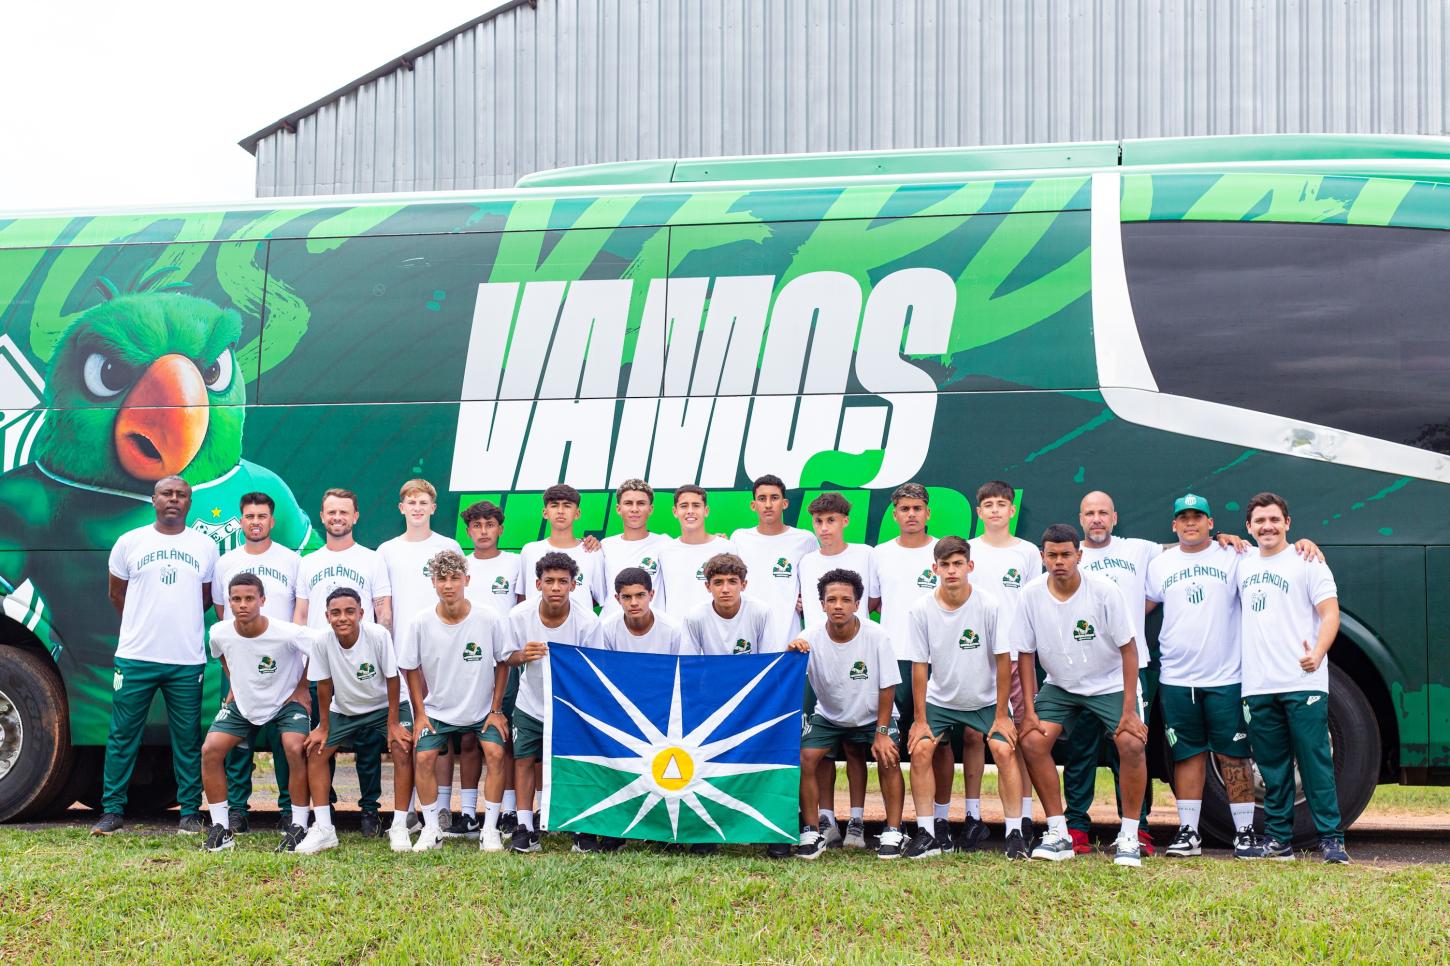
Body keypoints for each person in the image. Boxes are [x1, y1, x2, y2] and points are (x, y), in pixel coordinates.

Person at [92, 476, 219, 837]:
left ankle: (190, 813)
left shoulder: (205, 546)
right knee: (122, 734)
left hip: (186, 659)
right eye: (167, 494)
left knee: (187, 738)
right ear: (154, 500)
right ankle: (112, 811)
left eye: (181, 495)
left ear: (189, 502)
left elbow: (205, 598)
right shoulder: (130, 542)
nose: (173, 500)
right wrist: (143, 622)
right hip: (136, 656)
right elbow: (118, 594)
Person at [1017, 524, 1150, 867]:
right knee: (1032, 741)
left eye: (1066, 555)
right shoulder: (1030, 593)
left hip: (1109, 683)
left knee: (1131, 743)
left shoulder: (1105, 590)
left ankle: (1131, 835)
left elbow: (1129, 649)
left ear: (1079, 555)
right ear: (1042, 556)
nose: (1059, 562)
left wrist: (1129, 710)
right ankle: (1058, 832)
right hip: (1060, 685)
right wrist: (1031, 708)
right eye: (1052, 555)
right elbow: (1025, 653)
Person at [1145, 494, 1258, 859]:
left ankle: (1245, 832)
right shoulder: (1161, 564)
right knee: (1188, 755)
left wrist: (1305, 545)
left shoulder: (1234, 555)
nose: (1190, 523)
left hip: (1226, 675)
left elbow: (1275, 561)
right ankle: (1188, 832)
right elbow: (1141, 607)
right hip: (1177, 676)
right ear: (1174, 525)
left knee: (1233, 754)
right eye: (1183, 518)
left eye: (1198, 517)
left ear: (1211, 523)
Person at [1237, 493, 1348, 864]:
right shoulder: (1242, 562)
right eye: (1259, 521)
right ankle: (1279, 840)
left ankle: (1332, 839)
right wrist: (1223, 538)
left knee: (1315, 761)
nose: (1267, 526)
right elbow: (1197, 543)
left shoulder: (1308, 561)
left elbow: (1330, 613)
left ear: (1287, 522)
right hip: (1258, 684)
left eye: (1274, 519)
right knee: (1273, 768)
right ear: (1248, 528)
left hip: (1303, 681)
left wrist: (1317, 653)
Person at [902, 537, 1029, 860]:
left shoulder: (989, 605)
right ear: (935, 569)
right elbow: (919, 667)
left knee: (1003, 749)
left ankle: (1015, 834)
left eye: (958, 564)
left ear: (970, 566)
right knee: (920, 750)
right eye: (945, 565)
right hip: (940, 702)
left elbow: (1004, 660)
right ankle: (927, 833)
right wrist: (919, 720)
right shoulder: (920, 608)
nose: (951, 570)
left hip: (986, 702)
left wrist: (1002, 714)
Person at [872, 484, 980, 849]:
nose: (912, 514)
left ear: (928, 512)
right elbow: (872, 602)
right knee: (890, 741)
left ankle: (940, 821)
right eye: (904, 508)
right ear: (895, 513)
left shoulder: (943, 554)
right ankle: (895, 825)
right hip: (889, 662)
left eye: (918, 508)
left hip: (935, 663)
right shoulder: (880, 554)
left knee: (939, 745)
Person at [399, 550, 515, 852]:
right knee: (423, 757)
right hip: (437, 711)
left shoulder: (488, 617)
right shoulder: (420, 622)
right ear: (433, 582)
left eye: (454, 578)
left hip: (481, 712)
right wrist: (420, 713)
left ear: (467, 580)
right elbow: (409, 667)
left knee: (495, 751)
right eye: (441, 579)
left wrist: (496, 709)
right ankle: (432, 829)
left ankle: (489, 830)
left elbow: (504, 661)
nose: (448, 585)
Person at [1067, 490, 1162, 855]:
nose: (1096, 519)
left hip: (1130, 668)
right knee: (1080, 750)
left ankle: (1136, 827)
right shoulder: (1069, 553)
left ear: (1115, 517)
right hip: (1080, 671)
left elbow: (1186, 546)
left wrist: (1223, 540)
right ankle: (1076, 825)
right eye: (1089, 513)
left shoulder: (1137, 549)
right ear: (1080, 519)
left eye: (1103, 513)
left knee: (1133, 745)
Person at [788, 569, 905, 860]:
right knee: (806, 757)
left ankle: (893, 830)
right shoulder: (808, 636)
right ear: (822, 604)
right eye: (831, 600)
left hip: (873, 716)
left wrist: (880, 733)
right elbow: (788, 673)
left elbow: (888, 686)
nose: (838, 605)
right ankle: (812, 832)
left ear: (856, 604)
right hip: (829, 717)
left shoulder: (876, 635)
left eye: (845, 599)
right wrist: (791, 650)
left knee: (888, 756)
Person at [295, 488, 393, 836]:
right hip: (323, 665)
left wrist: (382, 651)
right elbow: (302, 615)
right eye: (331, 512)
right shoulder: (308, 561)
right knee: (324, 740)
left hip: (363, 665)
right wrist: (301, 668)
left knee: (368, 743)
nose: (337, 518)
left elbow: (383, 608)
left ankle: (370, 810)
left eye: (344, 512)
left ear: (355, 517)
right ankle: (325, 811)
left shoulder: (372, 558)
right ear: (322, 517)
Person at [378, 479, 470, 837]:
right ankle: (411, 812)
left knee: (439, 731)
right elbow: (382, 604)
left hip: (445, 653)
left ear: (433, 508)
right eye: (410, 502)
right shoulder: (386, 550)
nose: (417, 508)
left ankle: (442, 809)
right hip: (404, 655)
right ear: (401, 508)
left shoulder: (448, 546)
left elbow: (457, 597)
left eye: (423, 502)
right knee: (413, 732)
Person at [198, 574, 313, 853]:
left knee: (294, 747)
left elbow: (321, 651)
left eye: (249, 598)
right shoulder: (220, 632)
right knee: (210, 750)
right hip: (244, 705)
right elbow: (222, 655)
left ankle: (299, 825)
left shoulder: (287, 632)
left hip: (286, 703)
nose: (243, 605)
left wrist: (302, 687)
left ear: (262, 600)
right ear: (229, 602)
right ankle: (222, 828)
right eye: (236, 599)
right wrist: (236, 683)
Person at [300, 588, 416, 854]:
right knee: (316, 752)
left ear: (361, 614)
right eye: (336, 613)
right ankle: (325, 829)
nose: (343, 618)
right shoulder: (321, 641)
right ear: (327, 616)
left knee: (402, 748)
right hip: (345, 709)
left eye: (350, 611)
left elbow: (392, 678)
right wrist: (324, 726)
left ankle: (399, 825)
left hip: (386, 705)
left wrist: (394, 723)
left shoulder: (378, 635)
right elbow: (324, 684)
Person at [212, 491, 302, 835]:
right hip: (239, 665)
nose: (255, 522)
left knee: (286, 741)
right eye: (249, 516)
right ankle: (236, 811)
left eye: (261, 516)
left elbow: (298, 612)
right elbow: (223, 615)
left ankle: (288, 809)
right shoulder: (226, 562)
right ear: (241, 520)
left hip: (282, 666)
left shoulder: (291, 561)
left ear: (271, 521)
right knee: (237, 740)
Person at [505, 551, 602, 854]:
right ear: (538, 584)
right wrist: (524, 654)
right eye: (550, 581)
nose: (556, 587)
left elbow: (594, 668)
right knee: (523, 762)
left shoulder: (588, 621)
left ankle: (580, 828)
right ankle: (524, 828)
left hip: (570, 707)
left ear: (574, 585)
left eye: (563, 581)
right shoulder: (519, 615)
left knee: (574, 765)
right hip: (530, 703)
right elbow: (507, 656)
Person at [797, 492, 879, 848]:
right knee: (822, 750)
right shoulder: (805, 560)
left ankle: (857, 823)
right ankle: (826, 821)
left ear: (845, 521)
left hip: (857, 660)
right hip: (818, 664)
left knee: (856, 749)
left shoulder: (865, 554)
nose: (825, 527)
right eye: (818, 521)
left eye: (831, 520)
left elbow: (873, 600)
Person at [967, 480, 1042, 839]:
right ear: (978, 512)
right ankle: (972, 816)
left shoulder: (1027, 552)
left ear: (1012, 510)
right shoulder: (967, 550)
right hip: (975, 657)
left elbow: (1032, 606)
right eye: (988, 504)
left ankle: (1024, 818)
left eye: (1002, 504)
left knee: (1024, 734)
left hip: (1014, 657)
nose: (995, 509)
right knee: (972, 736)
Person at [461, 499, 523, 831]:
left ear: (500, 529)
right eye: (476, 526)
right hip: (468, 661)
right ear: (468, 530)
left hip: (506, 662)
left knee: (505, 735)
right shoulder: (462, 564)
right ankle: (469, 813)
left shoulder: (516, 563)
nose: (483, 531)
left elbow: (525, 607)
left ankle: (510, 811)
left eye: (490, 525)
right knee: (470, 739)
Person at [730, 474, 817, 648]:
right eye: (762, 499)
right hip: (747, 637)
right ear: (753, 505)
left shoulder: (805, 539)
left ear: (784, 503)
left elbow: (816, 580)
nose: (768, 504)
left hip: (789, 638)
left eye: (774, 498)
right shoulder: (739, 538)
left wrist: (808, 600)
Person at [519, 483, 608, 614]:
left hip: (579, 631)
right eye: (554, 505)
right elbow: (523, 597)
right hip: (536, 631)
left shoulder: (592, 552)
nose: (560, 511)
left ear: (577, 513)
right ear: (545, 513)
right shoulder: (530, 551)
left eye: (567, 506)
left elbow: (599, 598)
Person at [599, 480, 673, 618]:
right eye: (628, 503)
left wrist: (715, 540)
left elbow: (693, 548)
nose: (634, 509)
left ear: (650, 509)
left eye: (641, 503)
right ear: (618, 508)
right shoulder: (604, 546)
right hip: (610, 631)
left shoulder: (665, 543)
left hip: (652, 630)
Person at [683, 554, 774, 657]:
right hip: (712, 673)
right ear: (708, 586)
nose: (725, 589)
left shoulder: (761, 612)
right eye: (718, 582)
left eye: (732, 582)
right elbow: (688, 664)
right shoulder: (695, 617)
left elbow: (769, 661)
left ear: (743, 585)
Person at [600, 568, 696, 656]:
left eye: (640, 595)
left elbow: (681, 669)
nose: (634, 603)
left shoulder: (672, 630)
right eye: (626, 597)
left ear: (651, 595)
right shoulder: (606, 630)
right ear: (618, 599)